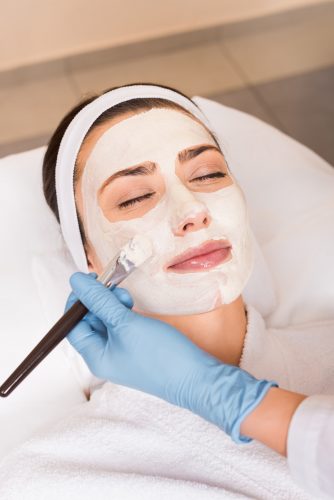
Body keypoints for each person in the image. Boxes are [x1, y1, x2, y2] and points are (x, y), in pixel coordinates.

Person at [0, 83, 333, 499]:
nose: (192, 211)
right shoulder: (52, 478)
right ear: (87, 257)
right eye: (135, 197)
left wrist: (235, 400)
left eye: (208, 174)